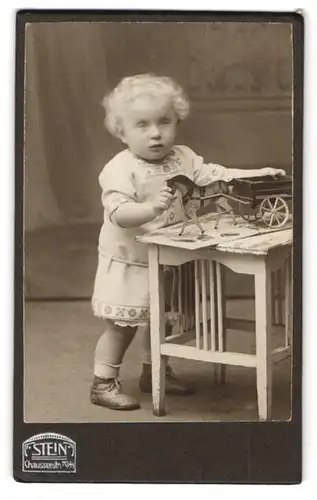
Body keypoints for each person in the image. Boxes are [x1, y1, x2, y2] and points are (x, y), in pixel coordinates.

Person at [91, 74, 285, 410]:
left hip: (168, 257)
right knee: (122, 327)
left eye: (164, 122)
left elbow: (216, 175)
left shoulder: (182, 157)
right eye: (142, 125)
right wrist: (150, 208)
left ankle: (156, 373)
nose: (155, 133)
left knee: (163, 321)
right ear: (121, 131)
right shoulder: (120, 168)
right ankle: (103, 383)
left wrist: (256, 174)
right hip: (131, 261)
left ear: (176, 121)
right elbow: (118, 213)